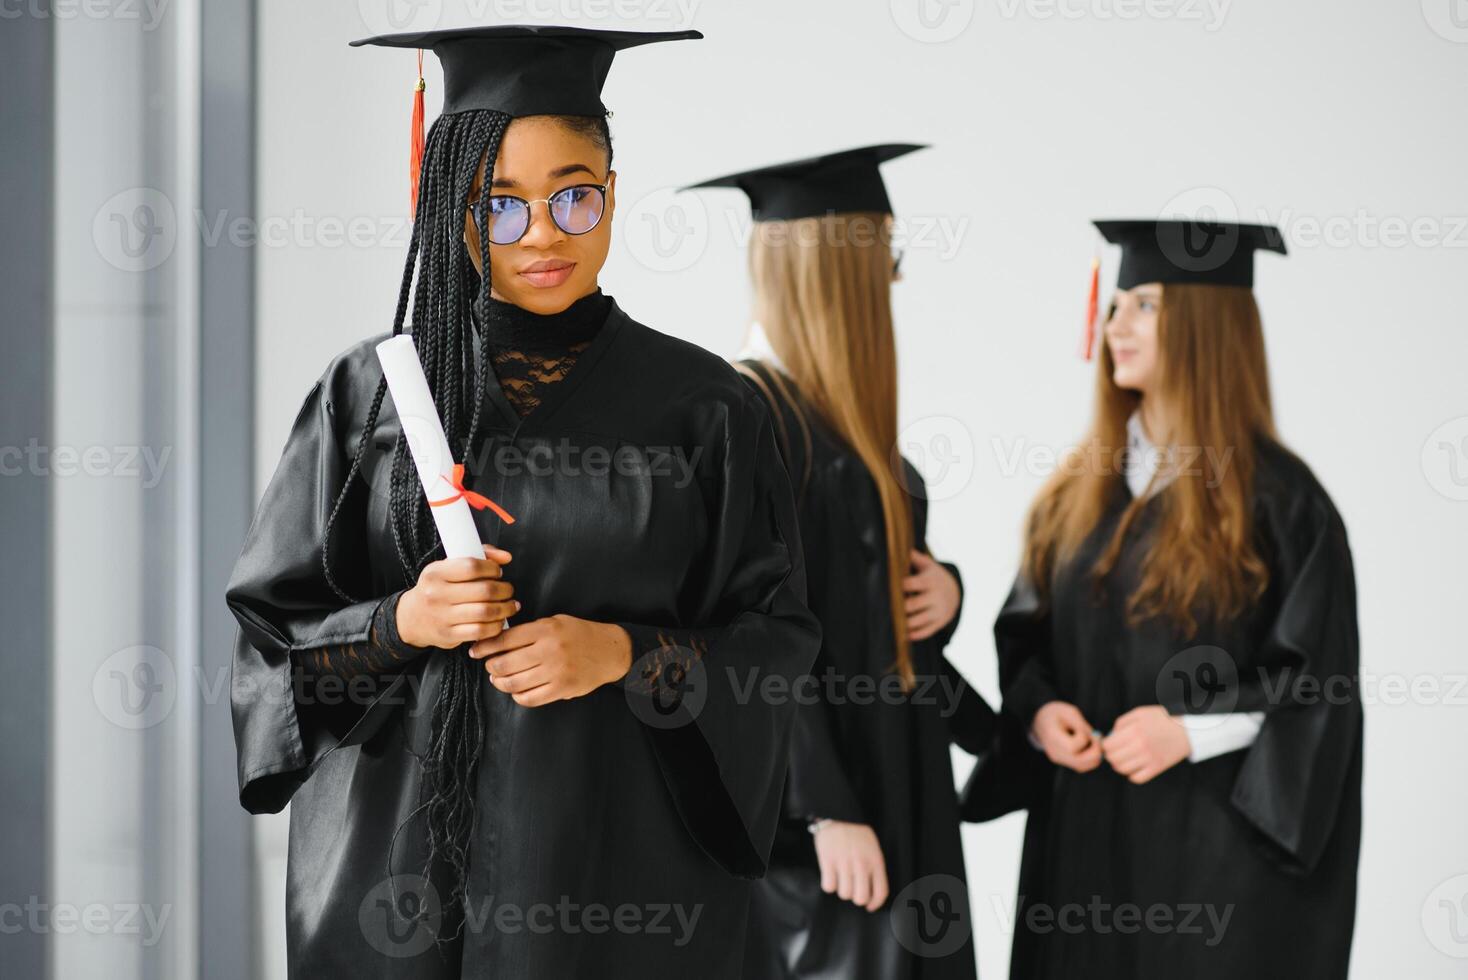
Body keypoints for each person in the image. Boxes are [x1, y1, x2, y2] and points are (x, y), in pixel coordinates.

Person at [225, 25, 820, 978]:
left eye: (573, 197)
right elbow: (267, 647)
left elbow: (778, 643)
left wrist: (624, 653)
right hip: (396, 887)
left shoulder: (707, 407)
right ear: (448, 212)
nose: (543, 234)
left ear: (614, 194)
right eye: (499, 206)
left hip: (623, 885)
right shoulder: (370, 397)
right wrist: (399, 622)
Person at [965, 219, 1362, 977]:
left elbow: (1322, 685)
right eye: (1115, 305)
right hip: (1084, 843)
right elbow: (1025, 642)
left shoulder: (1283, 502)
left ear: (1207, 326)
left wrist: (1190, 732)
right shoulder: (1075, 494)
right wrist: (1042, 713)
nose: (1117, 324)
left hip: (1216, 857)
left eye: (1143, 304)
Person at [686, 144, 997, 979]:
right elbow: (743, 633)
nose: (892, 278)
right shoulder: (750, 418)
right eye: (883, 253)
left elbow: (866, 619)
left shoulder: (838, 424)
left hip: (898, 789)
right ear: (835, 268)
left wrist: (947, 597)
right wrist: (824, 810)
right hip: (825, 831)